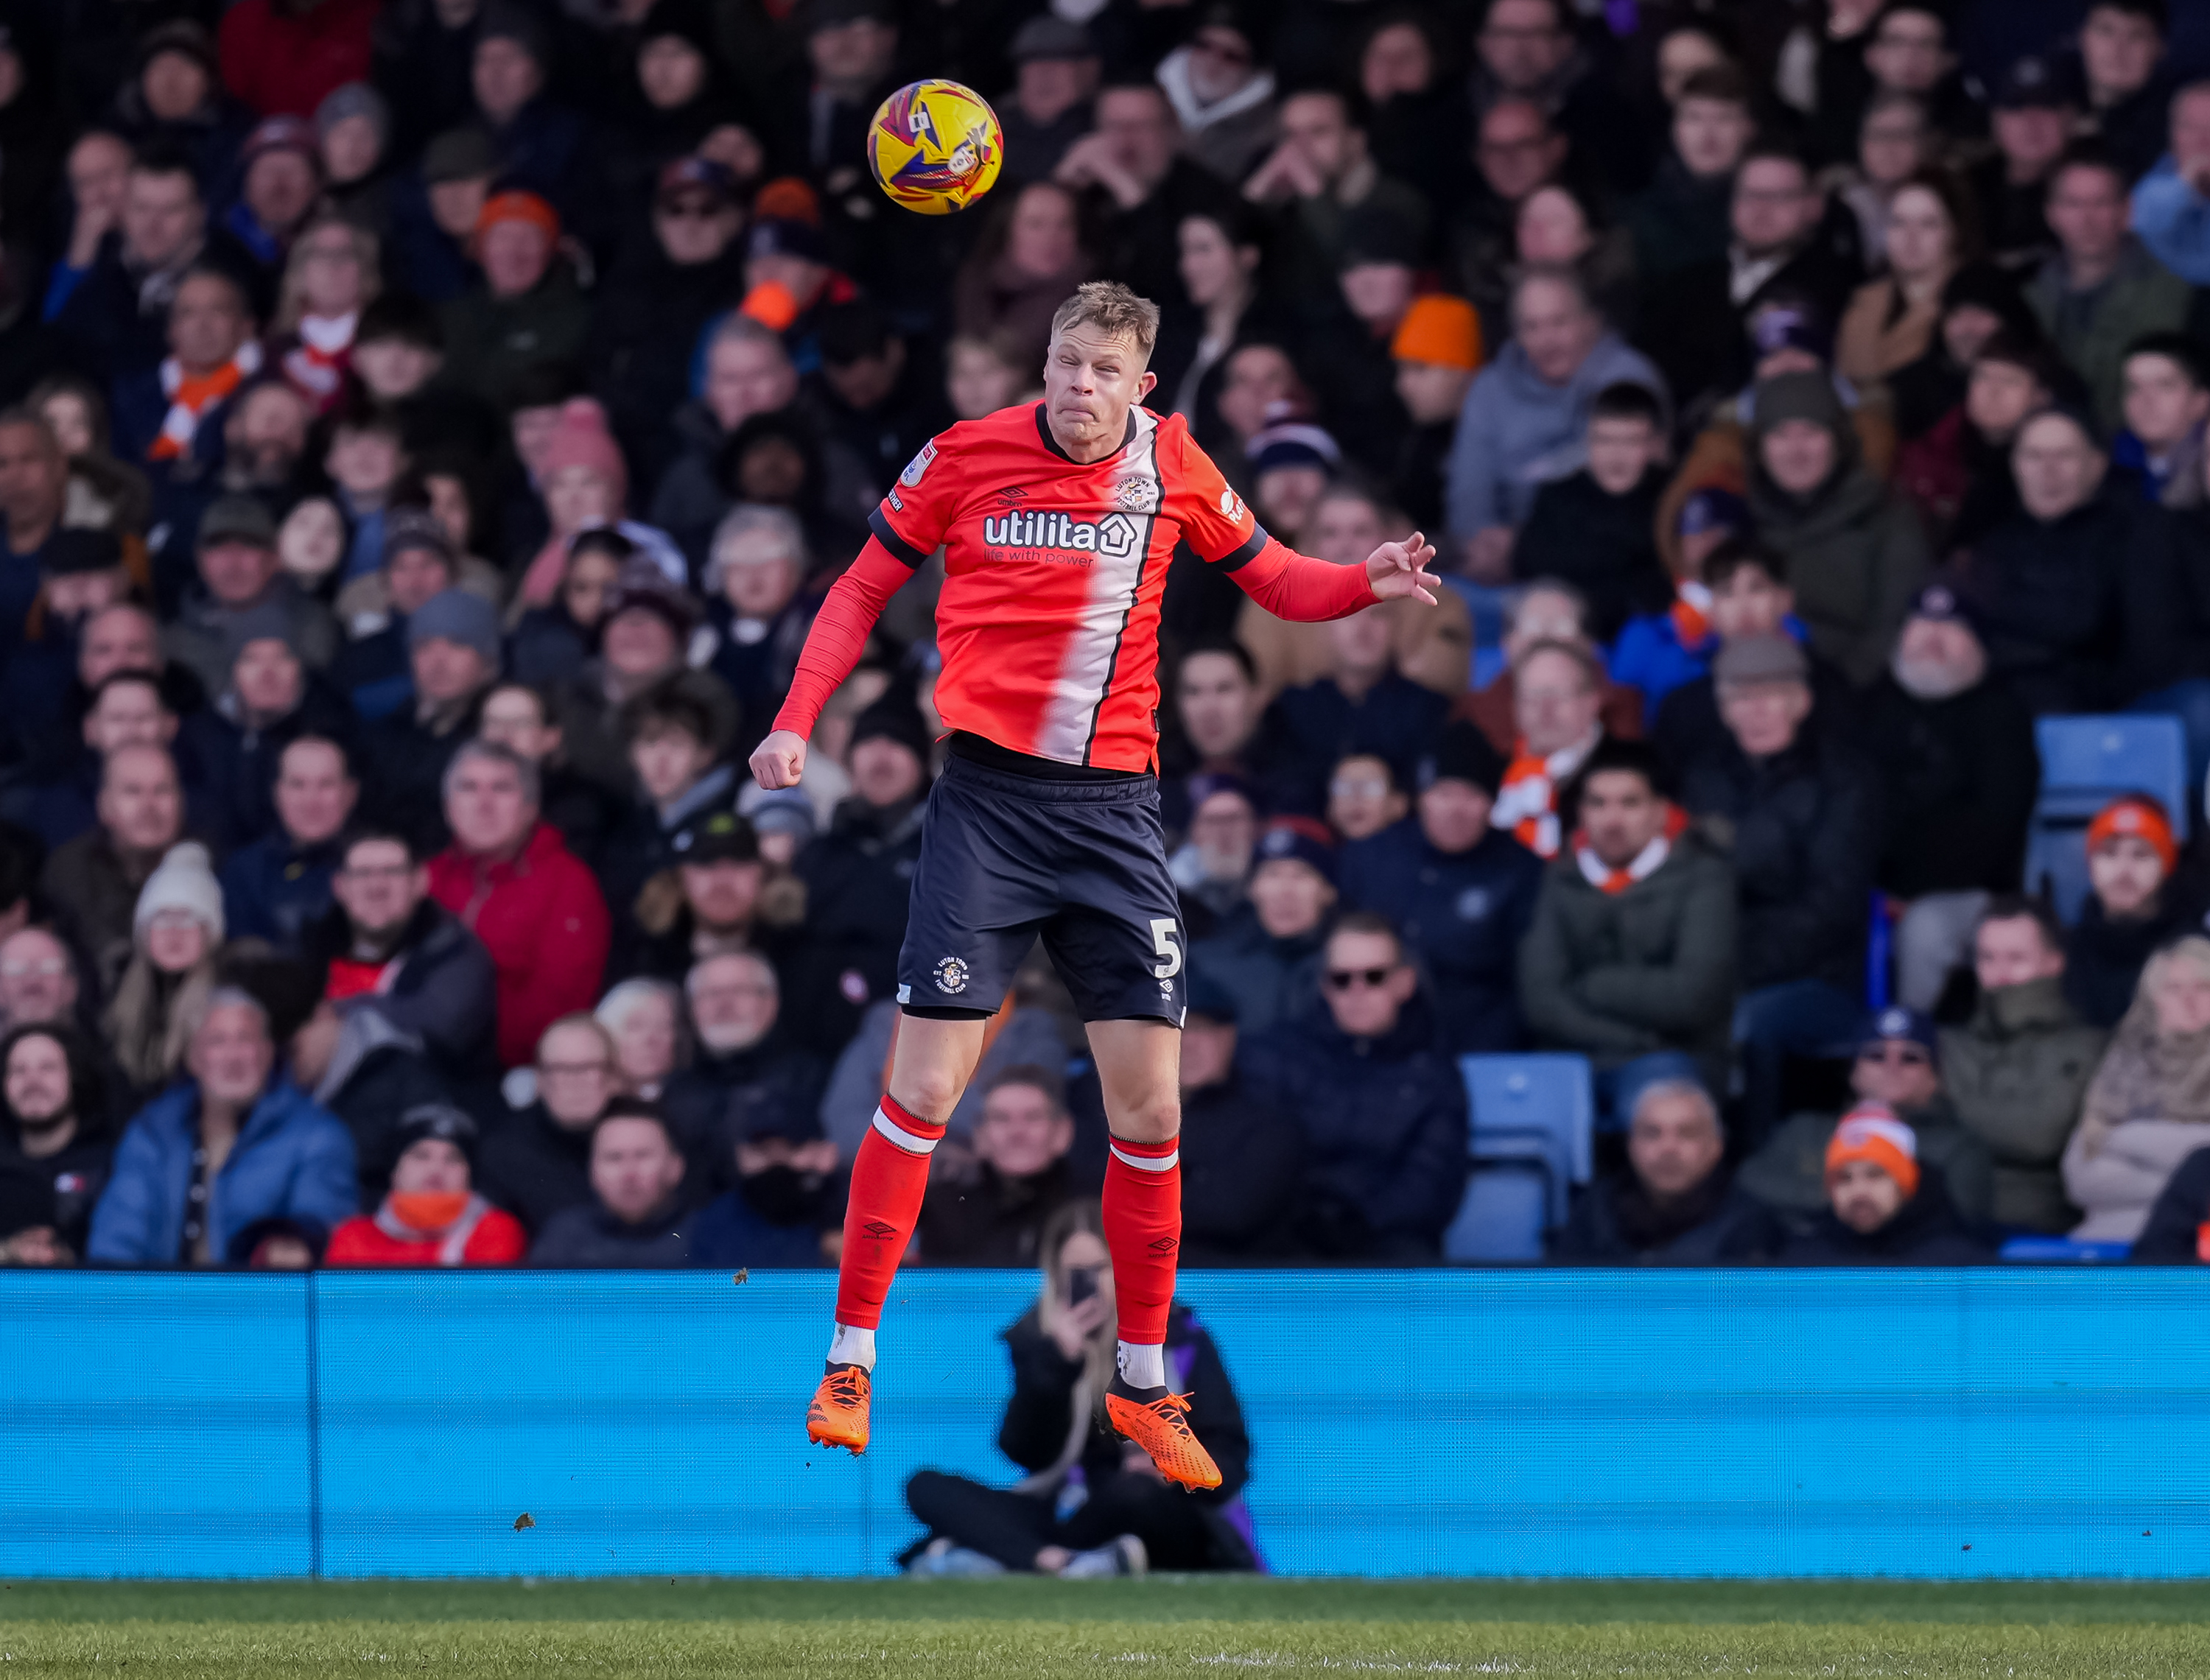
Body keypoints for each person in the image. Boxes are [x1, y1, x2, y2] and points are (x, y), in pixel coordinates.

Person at [751, 280, 1441, 1480]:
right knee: (923, 1085)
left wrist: (1359, 578)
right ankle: (852, 1353)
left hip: (1115, 817)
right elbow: (862, 586)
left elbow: (1274, 579)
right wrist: (797, 720)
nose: (1076, 388)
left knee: (1153, 1113)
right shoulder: (964, 455)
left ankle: (1139, 1383)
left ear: (1142, 385)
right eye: (1064, 365)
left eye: (1101, 372)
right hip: (985, 807)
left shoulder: (1174, 465)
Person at [902, 1202, 1252, 1580]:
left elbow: (1230, 1457)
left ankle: (1010, 1558)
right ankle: (1056, 1561)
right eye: (1075, 1273)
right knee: (926, 1487)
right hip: (1072, 1512)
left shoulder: (1181, 1338)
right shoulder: (1039, 1338)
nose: (1088, 1285)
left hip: (1159, 1509)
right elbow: (1027, 1453)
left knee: (1136, 1494)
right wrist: (1057, 1364)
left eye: (1099, 1270)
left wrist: (1167, 1471)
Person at [1678, 634, 1881, 1145]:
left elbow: (1833, 906)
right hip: (1718, 967)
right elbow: (1691, 886)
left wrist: (1729, 964)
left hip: (1819, 976)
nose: (1756, 711)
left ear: (1801, 701)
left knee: (1749, 1022)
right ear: (1723, 708)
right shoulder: (1702, 778)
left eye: (1770, 694)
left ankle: (1753, 1163)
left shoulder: (1846, 780)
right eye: (1741, 697)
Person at [1520, 739, 1737, 1112]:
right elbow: (1541, 1000)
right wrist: (1633, 1039)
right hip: (1575, 1056)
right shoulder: (1559, 878)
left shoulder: (1705, 877)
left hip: (1676, 1059)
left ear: (1660, 812)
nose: (1612, 819)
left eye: (1630, 803)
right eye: (1598, 803)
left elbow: (1694, 996)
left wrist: (1592, 986)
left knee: (1660, 1105)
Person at [1245, 913, 1468, 1261]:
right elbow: (1261, 1161)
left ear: (1405, 983)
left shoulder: (1435, 1074)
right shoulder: (1281, 1056)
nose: (1357, 991)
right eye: (1341, 978)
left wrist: (1359, 1220)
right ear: (1324, 986)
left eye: (1374, 976)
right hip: (1291, 1239)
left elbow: (1432, 1185)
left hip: (1389, 1241)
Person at [1862, 585, 2041, 1013]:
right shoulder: (1868, 708)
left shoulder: (2004, 718)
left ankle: (1905, 1049)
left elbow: (1995, 828)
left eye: (1951, 627)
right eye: (1921, 624)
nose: (1932, 638)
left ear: (1979, 645)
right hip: (1871, 888)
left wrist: (1909, 891)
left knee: (1925, 928)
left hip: (1972, 895)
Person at [85, 988, 355, 1263]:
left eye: (245, 1039)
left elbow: (323, 1223)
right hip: (162, 1302)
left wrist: (292, 1247)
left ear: (268, 1052)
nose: (233, 1056)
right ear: (194, 1058)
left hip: (262, 1300)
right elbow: (117, 1238)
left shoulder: (316, 1134)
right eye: (217, 1041)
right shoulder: (153, 1131)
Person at [1443, 266, 1666, 576]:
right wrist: (1479, 542)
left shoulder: (1628, 378)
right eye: (1532, 327)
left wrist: (1525, 543)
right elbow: (1470, 483)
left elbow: (1611, 473)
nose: (1547, 340)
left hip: (1600, 555)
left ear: (1591, 322)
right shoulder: (1490, 387)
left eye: (1559, 322)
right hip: (1497, 561)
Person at [1340, 723, 1544, 1056]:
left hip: (1477, 1045)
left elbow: (1527, 986)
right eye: (1443, 793)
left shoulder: (1521, 871)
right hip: (1374, 1044)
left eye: (1471, 795)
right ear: (1422, 799)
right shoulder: (1369, 857)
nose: (1455, 809)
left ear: (1491, 805)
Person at [426, 740, 610, 1069]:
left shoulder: (568, 882)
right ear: (449, 808)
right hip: (421, 1060)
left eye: (501, 789)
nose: (484, 804)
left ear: (529, 808)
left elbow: (560, 1005)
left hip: (515, 1071)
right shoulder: (428, 878)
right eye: (469, 789)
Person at [1745, 369, 1930, 688]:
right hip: (1750, 690)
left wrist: (1840, 693)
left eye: (1811, 432)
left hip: (1854, 695)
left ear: (1839, 441)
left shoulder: (1887, 517)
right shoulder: (1743, 519)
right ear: (1760, 449)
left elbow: (1896, 625)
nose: (1796, 450)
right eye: (1780, 434)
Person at [1739, 1006, 1998, 1233]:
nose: (1891, 1067)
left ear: (1936, 1079)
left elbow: (1962, 1224)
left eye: (1910, 1058)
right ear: (1854, 1073)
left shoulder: (1959, 1147)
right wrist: (1839, 1195)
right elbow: (1750, 1178)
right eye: (1876, 1055)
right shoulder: (1807, 1129)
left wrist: (1845, 1197)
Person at [1942, 898, 2108, 1234]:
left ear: (2054, 962)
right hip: (1940, 1227)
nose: (1999, 973)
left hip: (2038, 1231)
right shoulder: (1946, 1042)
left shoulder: (2089, 1046)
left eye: (2016, 959)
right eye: (1987, 958)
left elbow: (2039, 1135)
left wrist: (1943, 1102)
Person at [310, 823, 497, 1087]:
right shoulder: (310, 947)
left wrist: (339, 1012)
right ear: (340, 887)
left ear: (420, 882)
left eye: (392, 872)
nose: (377, 887)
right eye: (362, 874)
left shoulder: (455, 950)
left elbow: (442, 1027)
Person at [2026, 147, 2193, 432]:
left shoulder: (2175, 292)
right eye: (2073, 204)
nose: (2087, 219)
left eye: (2101, 202)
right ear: (2051, 213)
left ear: (2125, 210)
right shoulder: (2029, 297)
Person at [2062, 937, 2210, 1243]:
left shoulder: (2118, 1133)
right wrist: (2188, 1184)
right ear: (2152, 1000)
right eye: (2174, 989)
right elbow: (2082, 1176)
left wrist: (2119, 1139)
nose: (2189, 1001)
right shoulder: (2122, 1065)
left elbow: (2099, 1140)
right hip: (2108, 1233)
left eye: (2203, 988)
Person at [1509, 382, 1675, 645]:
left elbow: (1664, 589)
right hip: (1561, 633)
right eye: (1604, 439)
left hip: (1645, 639)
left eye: (1631, 441)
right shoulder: (1557, 495)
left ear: (1655, 444)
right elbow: (1528, 566)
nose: (1615, 455)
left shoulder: (1674, 499)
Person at [1549, 1080, 1777, 1262]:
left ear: (1716, 1147)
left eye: (1687, 1133)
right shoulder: (1596, 1208)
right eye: (1652, 1133)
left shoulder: (1749, 1221)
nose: (1668, 1148)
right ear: (1631, 1146)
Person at [1171, 976, 1302, 1263]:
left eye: (1201, 1029)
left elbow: (1233, 1212)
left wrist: (1149, 1196)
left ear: (1229, 1036)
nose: (1188, 1043)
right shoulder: (1125, 1122)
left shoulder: (1270, 1125)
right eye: (1176, 1029)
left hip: (1243, 1290)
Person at [1775, 1103, 1989, 1264]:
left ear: (1906, 1183)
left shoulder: (1958, 1266)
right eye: (1844, 1179)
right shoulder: (1805, 1263)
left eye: (1875, 1175)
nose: (1858, 1191)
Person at [1185, 820, 1335, 1045]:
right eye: (1272, 874)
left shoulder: (1356, 969)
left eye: (1301, 875)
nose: (1285, 891)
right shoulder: (1206, 965)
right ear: (1252, 889)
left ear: (1328, 892)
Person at [323, 1102, 527, 1265]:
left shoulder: (495, 1231)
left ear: (470, 1176)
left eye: (453, 1159)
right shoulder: (354, 1236)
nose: (436, 1169)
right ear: (395, 1171)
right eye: (421, 1156)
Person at [918, 1066, 1082, 1268]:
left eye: (1033, 1117)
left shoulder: (1095, 1212)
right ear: (980, 1136)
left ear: (1063, 1132)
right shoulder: (940, 1212)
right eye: (1001, 1118)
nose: (1017, 1132)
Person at [476, 1014, 618, 1236]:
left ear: (613, 1077)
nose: (575, 1082)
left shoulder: (648, 1137)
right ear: (540, 1080)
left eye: (589, 1067)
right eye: (560, 1069)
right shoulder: (503, 1154)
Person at [2067, 796, 2200, 1030]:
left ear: (2166, 866)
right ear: (2091, 865)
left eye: (2141, 854)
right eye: (2109, 854)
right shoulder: (2066, 952)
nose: (2124, 870)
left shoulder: (2199, 952)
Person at [0, 1024, 113, 1265]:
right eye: (19, 1070)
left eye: (47, 1068)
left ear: (75, 1075)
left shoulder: (113, 1165)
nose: (33, 1081)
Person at [527, 1103, 692, 1267]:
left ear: (676, 1167)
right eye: (614, 1158)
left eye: (642, 1156)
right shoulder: (563, 1240)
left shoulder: (707, 1238)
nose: (629, 1174)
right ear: (592, 1171)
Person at [2131, 81, 2210, 287]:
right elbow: (2148, 218)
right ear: (2173, 133)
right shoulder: (2152, 191)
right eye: (2191, 127)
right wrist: (2188, 185)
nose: (2203, 141)